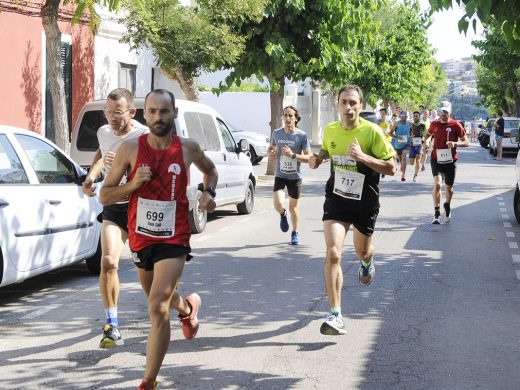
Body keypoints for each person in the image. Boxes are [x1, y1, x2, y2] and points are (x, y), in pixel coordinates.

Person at [99, 89, 218, 390]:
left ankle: (148, 381)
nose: (158, 117)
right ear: (145, 113)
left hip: (174, 237)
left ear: (174, 114)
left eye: (164, 111)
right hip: (141, 239)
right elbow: (105, 195)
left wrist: (208, 193)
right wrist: (133, 184)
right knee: (160, 298)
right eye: (152, 111)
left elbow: (211, 171)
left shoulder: (188, 148)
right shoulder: (129, 149)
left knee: (156, 306)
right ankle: (189, 309)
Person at [308, 84, 396, 335]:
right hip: (337, 198)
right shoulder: (331, 130)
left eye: (353, 103)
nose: (348, 107)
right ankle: (335, 314)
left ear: (361, 106)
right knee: (333, 252)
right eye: (344, 102)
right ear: (337, 104)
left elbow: (391, 168)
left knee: (362, 251)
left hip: (365, 201)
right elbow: (327, 151)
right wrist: (318, 157)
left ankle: (367, 263)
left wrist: (363, 157)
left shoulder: (372, 133)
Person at [82, 88, 148, 348]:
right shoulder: (104, 132)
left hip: (140, 208)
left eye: (118, 113)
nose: (112, 118)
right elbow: (101, 155)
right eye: (108, 112)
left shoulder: (143, 136)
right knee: (108, 262)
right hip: (114, 207)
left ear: (131, 112)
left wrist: (124, 167)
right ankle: (112, 326)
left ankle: (186, 307)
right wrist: (91, 177)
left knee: (151, 279)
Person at [268, 106, 312, 245]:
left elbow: (309, 157)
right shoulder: (276, 133)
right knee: (278, 204)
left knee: (293, 207)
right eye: (285, 115)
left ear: (296, 118)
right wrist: (271, 154)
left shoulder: (301, 136)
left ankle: (295, 233)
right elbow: (271, 148)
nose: (287, 118)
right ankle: (283, 214)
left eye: (290, 116)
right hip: (280, 175)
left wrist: (293, 155)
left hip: (295, 177)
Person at [423, 103, 469, 224]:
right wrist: (426, 142)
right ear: (440, 113)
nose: (444, 115)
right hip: (436, 159)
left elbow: (466, 142)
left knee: (449, 187)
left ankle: (447, 205)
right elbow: (427, 135)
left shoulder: (456, 124)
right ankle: (437, 212)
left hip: (450, 160)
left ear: (450, 113)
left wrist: (455, 144)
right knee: (437, 185)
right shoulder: (435, 124)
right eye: (442, 112)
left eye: (446, 113)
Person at [391, 110, 410, 181]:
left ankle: (403, 175)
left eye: (405, 116)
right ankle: (402, 165)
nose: (403, 117)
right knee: (401, 159)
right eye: (402, 116)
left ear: (407, 117)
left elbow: (413, 132)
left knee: (404, 156)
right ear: (399, 117)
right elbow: (390, 133)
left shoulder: (409, 124)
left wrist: (412, 137)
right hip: (398, 145)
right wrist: (397, 137)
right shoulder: (396, 124)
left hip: (407, 144)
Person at [409, 111, 427, 182]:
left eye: (417, 116)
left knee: (418, 160)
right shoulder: (411, 125)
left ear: (419, 117)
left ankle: (415, 175)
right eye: (414, 116)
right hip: (412, 145)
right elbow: (409, 135)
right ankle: (416, 170)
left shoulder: (423, 125)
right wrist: (411, 136)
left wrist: (425, 142)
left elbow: (426, 136)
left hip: (419, 145)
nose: (415, 117)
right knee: (411, 163)